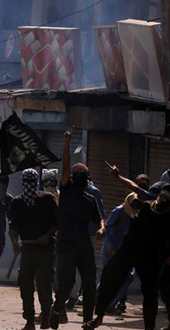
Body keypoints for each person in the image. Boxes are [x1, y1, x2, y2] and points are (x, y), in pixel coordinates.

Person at [87, 185, 170, 330]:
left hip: (150, 256)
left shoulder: (168, 215)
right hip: (130, 249)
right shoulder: (146, 207)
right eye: (163, 197)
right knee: (109, 277)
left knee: (151, 293)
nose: (163, 200)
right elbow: (135, 193)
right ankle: (98, 317)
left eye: (167, 199)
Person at [48, 131, 102, 330]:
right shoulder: (68, 190)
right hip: (66, 244)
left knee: (89, 282)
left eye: (82, 176)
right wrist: (66, 144)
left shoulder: (90, 200)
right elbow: (65, 169)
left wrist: (102, 229)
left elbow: (99, 219)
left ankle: (87, 320)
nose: (78, 178)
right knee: (67, 281)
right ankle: (56, 310)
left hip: (83, 245)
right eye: (76, 175)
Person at [8, 169, 58, 330]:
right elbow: (13, 226)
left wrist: (47, 235)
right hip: (28, 249)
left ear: (36, 183)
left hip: (46, 248)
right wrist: (14, 242)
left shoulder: (47, 199)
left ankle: (45, 315)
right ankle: (29, 320)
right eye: (26, 182)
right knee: (25, 284)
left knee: (44, 282)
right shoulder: (17, 202)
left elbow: (57, 222)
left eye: (31, 182)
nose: (28, 185)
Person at [100, 193, 140, 315]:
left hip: (124, 251)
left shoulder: (134, 216)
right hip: (111, 249)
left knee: (127, 278)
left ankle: (110, 304)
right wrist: (110, 246)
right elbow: (108, 228)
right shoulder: (118, 211)